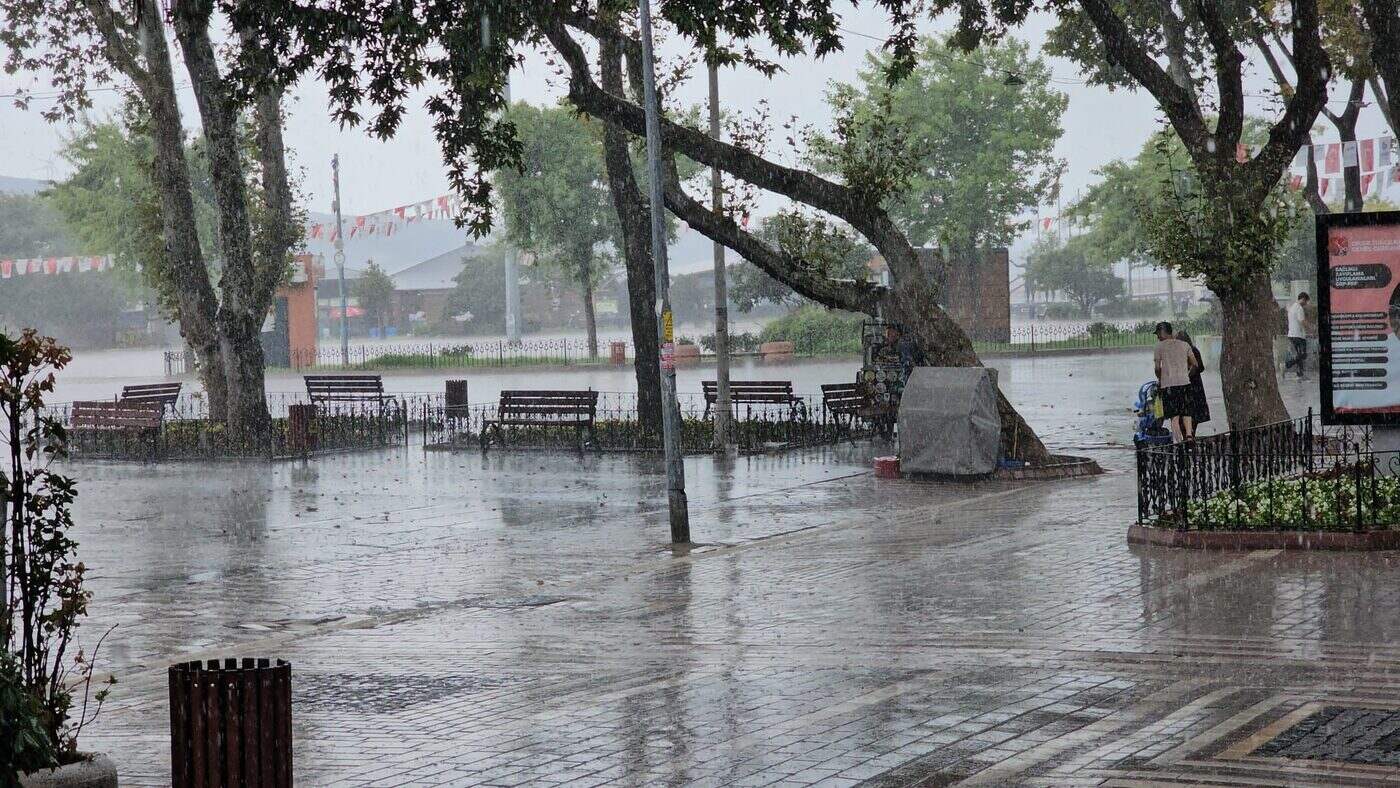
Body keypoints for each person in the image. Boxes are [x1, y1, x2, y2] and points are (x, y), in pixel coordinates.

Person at [1153, 321, 1200, 442]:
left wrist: (1160, 378)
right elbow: (1195, 364)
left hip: (1169, 385)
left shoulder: (1159, 346)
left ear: (1162, 332)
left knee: (1174, 416)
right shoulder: (1185, 345)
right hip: (1185, 383)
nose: (1157, 337)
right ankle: (1189, 437)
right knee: (1186, 412)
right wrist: (1187, 376)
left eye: (1158, 334)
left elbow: (1157, 368)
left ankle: (1178, 442)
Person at [1175, 329, 1210, 438]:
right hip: (1194, 388)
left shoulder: (1190, 351)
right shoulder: (1192, 350)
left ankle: (1188, 437)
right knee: (1191, 414)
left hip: (1188, 388)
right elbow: (1201, 367)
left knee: (1186, 414)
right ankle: (1189, 436)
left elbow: (1198, 367)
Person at [1284, 292, 1311, 379]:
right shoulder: (1299, 308)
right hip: (1298, 335)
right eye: (1306, 301)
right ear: (1303, 299)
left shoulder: (1292, 307)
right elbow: (1302, 321)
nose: (1306, 304)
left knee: (1299, 355)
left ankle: (1300, 374)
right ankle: (1285, 365)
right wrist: (1311, 327)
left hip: (1291, 335)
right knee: (1302, 355)